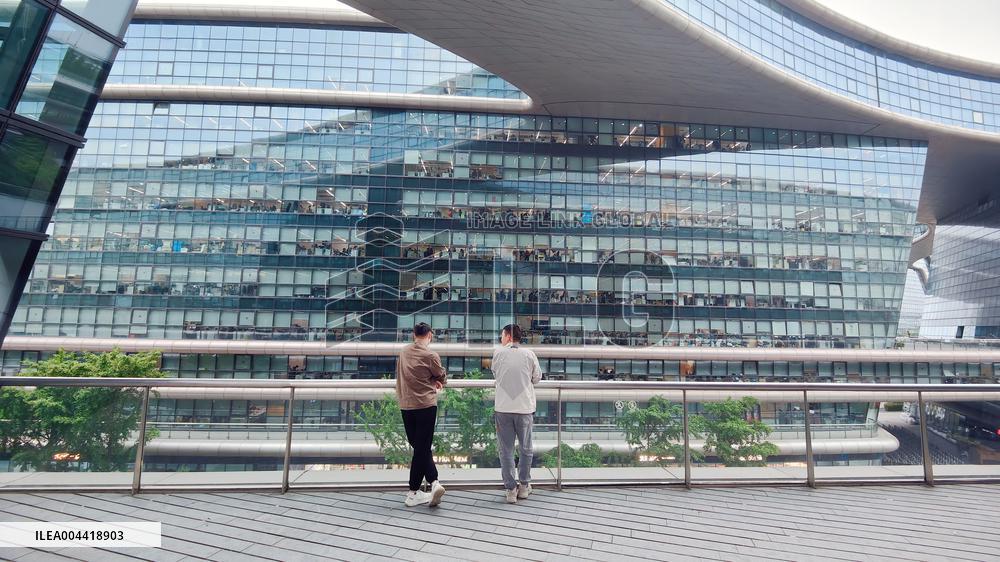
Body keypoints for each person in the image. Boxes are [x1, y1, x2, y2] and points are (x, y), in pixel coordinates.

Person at [396, 322, 448, 507]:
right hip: (426, 405)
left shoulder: (403, 352)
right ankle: (422, 488)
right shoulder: (431, 355)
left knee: (419, 446)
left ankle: (426, 487)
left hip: (406, 404)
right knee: (422, 447)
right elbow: (442, 376)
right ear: (430, 335)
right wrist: (436, 380)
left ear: (414, 335)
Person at [491, 324, 543, 503]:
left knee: (505, 450)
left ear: (507, 336)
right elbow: (537, 378)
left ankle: (510, 489)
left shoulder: (498, 353)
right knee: (526, 448)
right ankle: (524, 485)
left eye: (502, 335)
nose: (501, 338)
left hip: (503, 408)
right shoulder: (529, 354)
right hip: (524, 408)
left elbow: (496, 374)